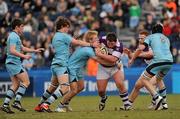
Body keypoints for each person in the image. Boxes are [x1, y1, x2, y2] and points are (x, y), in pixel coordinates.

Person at [34, 17, 98, 112]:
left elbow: (70, 44)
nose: (68, 29)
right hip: (61, 64)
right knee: (65, 88)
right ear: (62, 26)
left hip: (55, 64)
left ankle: (39, 105)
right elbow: (76, 42)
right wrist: (91, 45)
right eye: (67, 27)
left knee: (52, 87)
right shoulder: (63, 35)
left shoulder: (56, 36)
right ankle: (46, 105)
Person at [0, 19, 44, 114]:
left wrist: (35, 51)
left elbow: (22, 48)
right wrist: (24, 56)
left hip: (11, 63)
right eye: (22, 26)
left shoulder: (15, 36)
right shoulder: (13, 36)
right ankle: (16, 102)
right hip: (14, 63)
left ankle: (5, 105)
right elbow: (12, 50)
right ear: (17, 27)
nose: (23, 28)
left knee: (15, 85)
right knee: (26, 81)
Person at [54, 30, 102, 112]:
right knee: (74, 90)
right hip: (72, 68)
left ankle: (66, 103)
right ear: (90, 41)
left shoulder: (89, 48)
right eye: (95, 38)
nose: (98, 40)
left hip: (78, 69)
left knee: (81, 87)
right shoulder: (88, 50)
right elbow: (98, 60)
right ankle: (59, 107)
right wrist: (113, 61)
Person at [128, 24, 173, 110]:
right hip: (169, 62)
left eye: (141, 38)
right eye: (139, 38)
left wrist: (133, 58)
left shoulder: (150, 37)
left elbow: (142, 49)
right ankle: (164, 103)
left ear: (152, 32)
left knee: (144, 80)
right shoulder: (166, 39)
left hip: (158, 61)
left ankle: (157, 98)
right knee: (158, 80)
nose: (140, 39)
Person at [95, 32, 131, 111]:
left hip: (115, 67)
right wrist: (97, 48)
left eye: (112, 43)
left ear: (115, 42)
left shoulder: (119, 46)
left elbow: (113, 60)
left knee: (120, 83)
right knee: (101, 91)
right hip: (102, 68)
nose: (110, 45)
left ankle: (127, 104)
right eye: (108, 42)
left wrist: (100, 55)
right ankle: (104, 98)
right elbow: (96, 43)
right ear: (106, 40)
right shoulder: (103, 38)